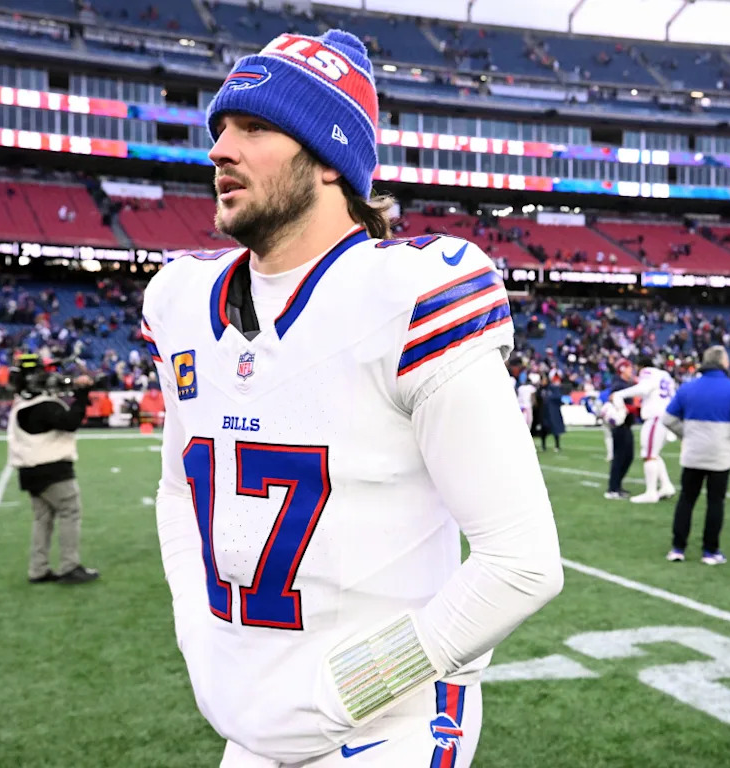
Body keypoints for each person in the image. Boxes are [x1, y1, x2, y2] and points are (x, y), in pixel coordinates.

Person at [142, 29, 563, 768]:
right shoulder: (181, 298)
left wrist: (351, 690)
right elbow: (180, 490)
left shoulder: (408, 295)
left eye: (254, 127)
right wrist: (194, 626)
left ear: (329, 158)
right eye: (221, 128)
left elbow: (522, 562)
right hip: (249, 725)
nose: (220, 150)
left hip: (382, 732)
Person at [6, 353, 99, 585]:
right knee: (70, 512)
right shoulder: (43, 406)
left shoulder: (22, 407)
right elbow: (70, 422)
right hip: (53, 471)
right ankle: (69, 566)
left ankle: (38, 569)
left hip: (30, 472)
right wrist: (81, 395)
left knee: (42, 519)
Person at [661, 346, 730, 565]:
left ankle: (678, 548)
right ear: (722, 362)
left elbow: (668, 419)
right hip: (721, 456)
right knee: (715, 502)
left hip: (693, 453)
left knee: (686, 500)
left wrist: (687, 434)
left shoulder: (688, 387)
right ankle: (710, 551)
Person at [611, 355, 676, 503]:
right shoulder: (664, 374)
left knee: (649, 454)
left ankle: (651, 492)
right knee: (654, 454)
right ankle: (666, 486)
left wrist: (620, 394)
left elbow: (643, 388)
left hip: (656, 417)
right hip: (666, 416)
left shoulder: (648, 373)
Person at [605, 359, 635, 500]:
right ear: (622, 369)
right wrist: (632, 409)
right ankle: (613, 489)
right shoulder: (619, 385)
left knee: (628, 456)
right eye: (629, 368)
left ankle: (617, 485)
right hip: (620, 425)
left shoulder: (626, 384)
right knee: (620, 457)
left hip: (626, 425)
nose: (631, 370)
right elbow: (613, 399)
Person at [539, 373, 564, 452]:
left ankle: (557, 445)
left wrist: (550, 399)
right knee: (544, 429)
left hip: (553, 412)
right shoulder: (541, 389)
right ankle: (543, 445)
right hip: (544, 412)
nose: (542, 382)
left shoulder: (553, 388)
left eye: (544, 380)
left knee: (555, 429)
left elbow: (558, 398)